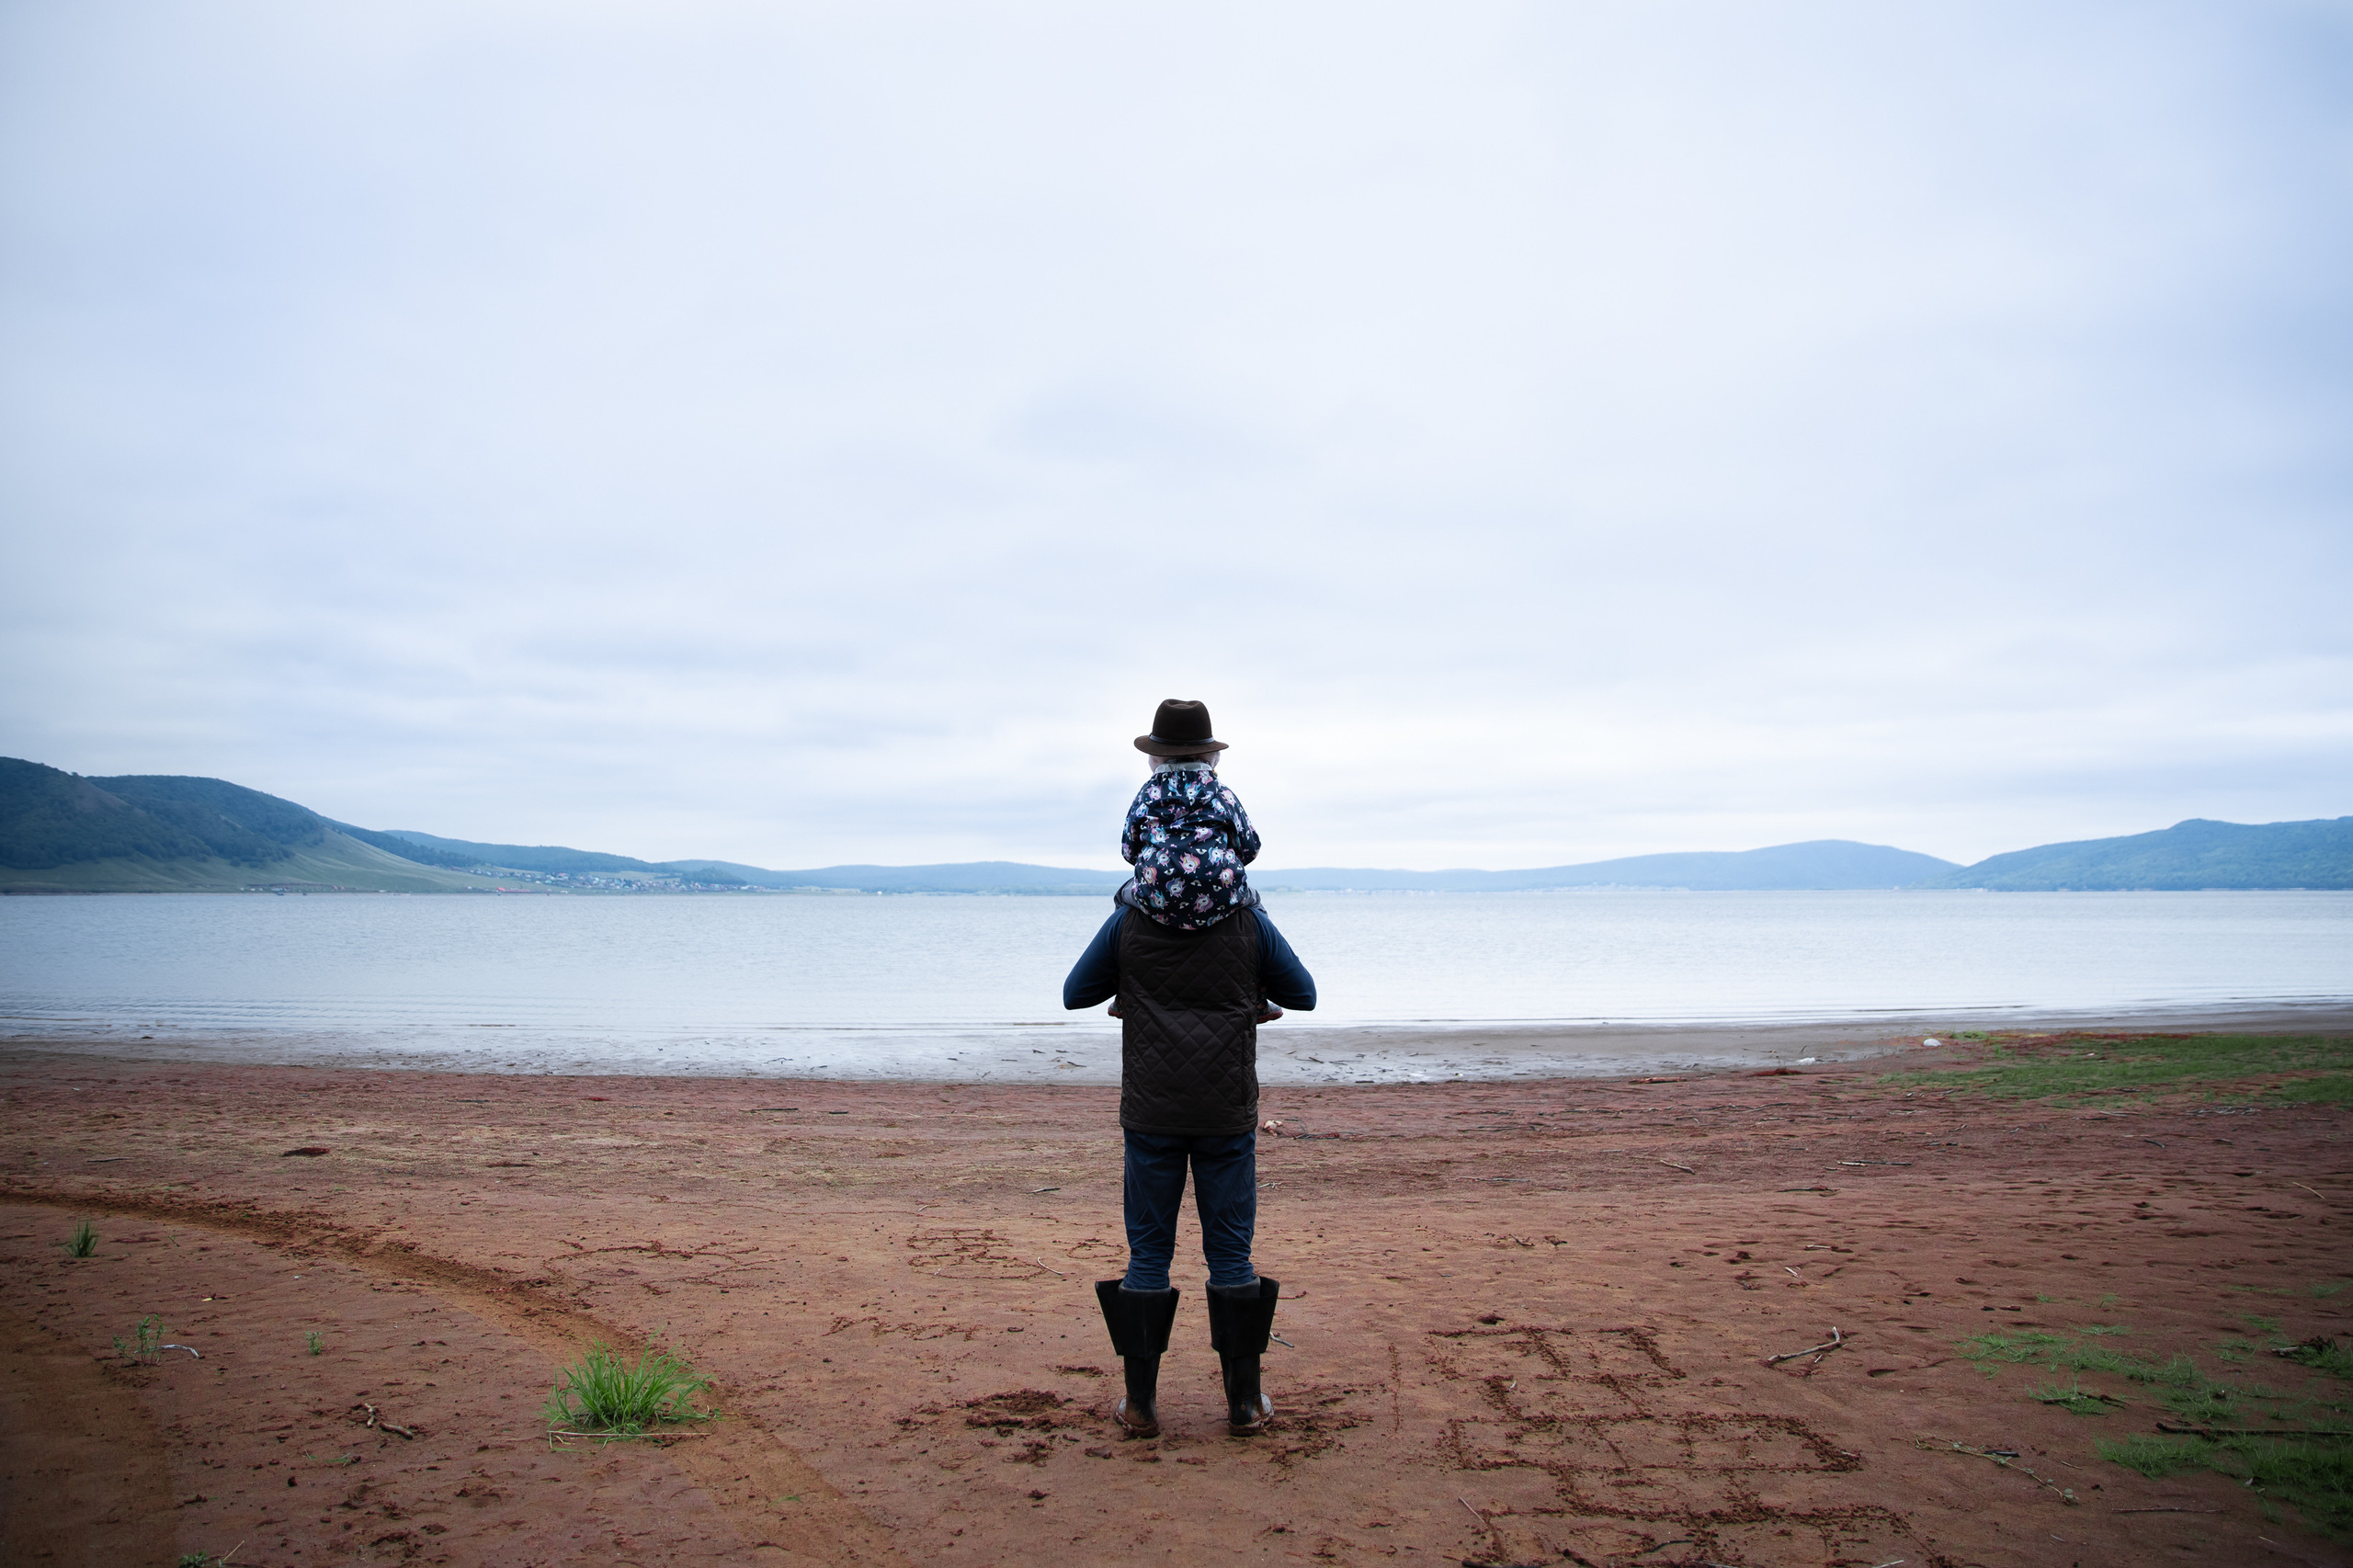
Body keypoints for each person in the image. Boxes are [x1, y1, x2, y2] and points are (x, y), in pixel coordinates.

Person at [1063, 699, 1317, 1437]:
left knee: (1149, 1253)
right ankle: (1243, 1403)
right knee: (1229, 1252)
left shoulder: (1130, 915)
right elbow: (1302, 994)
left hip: (1150, 1111)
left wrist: (1133, 991)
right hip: (1226, 1111)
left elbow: (1078, 994)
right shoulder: (1246, 915)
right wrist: (1251, 997)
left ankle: (1141, 1406)